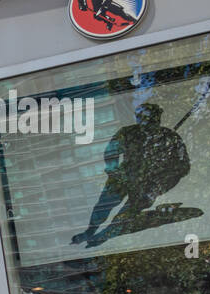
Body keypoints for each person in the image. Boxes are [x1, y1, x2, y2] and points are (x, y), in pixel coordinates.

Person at [71, 103, 190, 247]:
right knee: (103, 206)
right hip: (123, 178)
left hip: (147, 186)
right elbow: (111, 152)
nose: (144, 121)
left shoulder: (171, 139)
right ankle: (90, 232)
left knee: (124, 217)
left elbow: (183, 167)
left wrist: (158, 188)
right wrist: (114, 172)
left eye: (148, 117)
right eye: (140, 117)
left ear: (157, 118)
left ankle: (102, 237)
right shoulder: (127, 133)